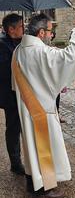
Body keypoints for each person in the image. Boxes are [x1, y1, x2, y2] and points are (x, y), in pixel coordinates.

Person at [12, 13, 75, 196]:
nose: (52, 35)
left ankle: (32, 182)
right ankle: (45, 187)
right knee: (45, 146)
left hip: (26, 106)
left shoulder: (18, 50)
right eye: (51, 31)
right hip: (41, 109)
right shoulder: (40, 52)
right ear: (41, 32)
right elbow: (69, 57)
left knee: (30, 147)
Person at [0, 13, 25, 175]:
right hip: (10, 95)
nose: (24, 28)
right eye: (21, 26)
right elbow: (5, 72)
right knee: (14, 128)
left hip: (20, 93)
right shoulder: (2, 45)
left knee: (20, 127)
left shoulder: (19, 41)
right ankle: (15, 163)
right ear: (11, 29)